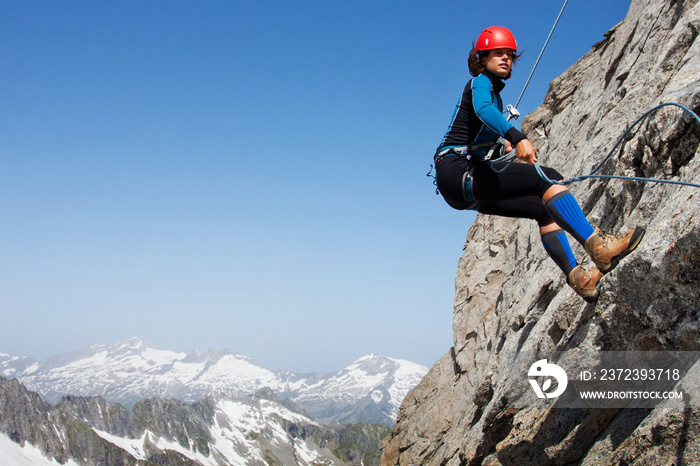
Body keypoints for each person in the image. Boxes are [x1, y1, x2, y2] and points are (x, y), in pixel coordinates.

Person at [434, 26, 645, 302]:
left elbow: (479, 131)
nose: (505, 58)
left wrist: (501, 145)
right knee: (547, 178)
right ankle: (599, 246)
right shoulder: (480, 83)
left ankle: (580, 279)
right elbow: (483, 110)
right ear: (482, 59)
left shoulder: (493, 95)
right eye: (496, 53)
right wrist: (515, 135)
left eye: (509, 54)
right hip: (457, 171)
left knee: (543, 211)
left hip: (460, 184)